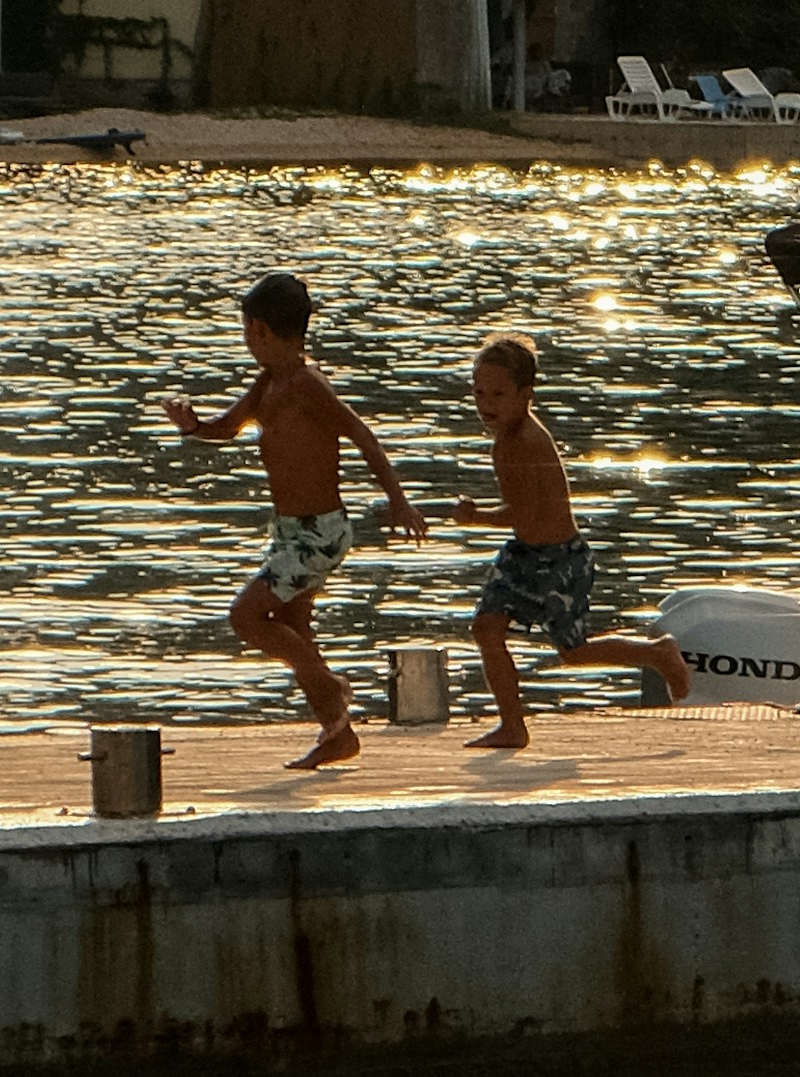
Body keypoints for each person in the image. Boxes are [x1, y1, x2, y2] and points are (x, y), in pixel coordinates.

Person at [164, 271, 418, 766]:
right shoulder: (268, 384)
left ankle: (331, 686)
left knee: (247, 616)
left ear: (259, 330)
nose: (245, 341)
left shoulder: (306, 385)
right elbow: (229, 427)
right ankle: (337, 733)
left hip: (319, 532)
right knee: (296, 628)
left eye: (245, 331)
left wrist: (398, 500)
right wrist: (193, 426)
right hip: (288, 532)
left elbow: (362, 435)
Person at [463, 329, 692, 747]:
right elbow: (522, 520)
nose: (487, 405)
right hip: (524, 554)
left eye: (498, 395)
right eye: (479, 394)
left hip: (559, 560)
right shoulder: (505, 441)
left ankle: (657, 653)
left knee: (573, 651)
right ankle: (512, 726)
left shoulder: (526, 444)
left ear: (525, 395)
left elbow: (523, 514)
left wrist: (475, 517)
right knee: (486, 628)